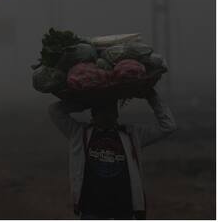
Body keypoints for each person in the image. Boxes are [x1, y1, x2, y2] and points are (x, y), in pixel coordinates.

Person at [48, 89, 177, 219]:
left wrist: (152, 96)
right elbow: (54, 110)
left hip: (124, 211)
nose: (107, 114)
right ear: (93, 113)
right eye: (101, 109)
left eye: (110, 109)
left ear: (116, 113)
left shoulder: (131, 134)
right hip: (91, 210)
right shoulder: (79, 134)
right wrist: (84, 103)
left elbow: (168, 126)